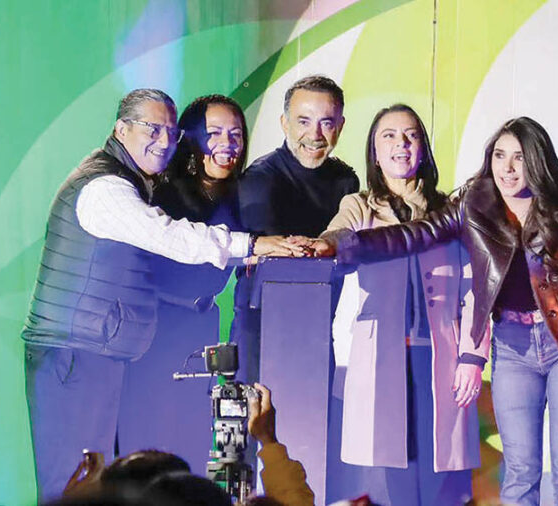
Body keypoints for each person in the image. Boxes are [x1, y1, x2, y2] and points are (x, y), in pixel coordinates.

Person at [318, 117, 558, 505]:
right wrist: (345, 246)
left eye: (519, 157)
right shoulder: (476, 206)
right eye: (499, 156)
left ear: (538, 161)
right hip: (513, 346)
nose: (508, 168)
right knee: (520, 469)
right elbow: (417, 234)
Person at [22, 88, 300, 499]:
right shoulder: (106, 187)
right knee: (74, 482)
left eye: (170, 131)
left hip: (96, 351)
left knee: (96, 478)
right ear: (121, 129)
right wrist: (252, 245)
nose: (164, 140)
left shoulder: (138, 181)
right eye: (152, 129)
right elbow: (168, 236)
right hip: (74, 353)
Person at [318, 104, 485, 505]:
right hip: (380, 358)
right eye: (389, 136)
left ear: (423, 149)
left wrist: (473, 356)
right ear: (375, 152)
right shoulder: (359, 205)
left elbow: (475, 288)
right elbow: (336, 237)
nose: (401, 144)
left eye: (411, 135)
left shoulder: (451, 210)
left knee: (442, 477)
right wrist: (325, 245)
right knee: (392, 476)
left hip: (441, 358)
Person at [117, 94, 249, 473]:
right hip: (156, 327)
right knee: (144, 445)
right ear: (189, 139)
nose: (227, 144)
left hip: (203, 323)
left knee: (192, 441)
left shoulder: (244, 195)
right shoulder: (163, 192)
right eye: (214, 133)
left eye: (236, 134)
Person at [232, 75, 360, 384]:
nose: (315, 135)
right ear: (284, 123)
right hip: (261, 330)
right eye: (304, 121)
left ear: (341, 126)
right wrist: (326, 248)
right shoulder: (260, 178)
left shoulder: (345, 181)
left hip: (318, 327)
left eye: (326, 123)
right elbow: (272, 259)